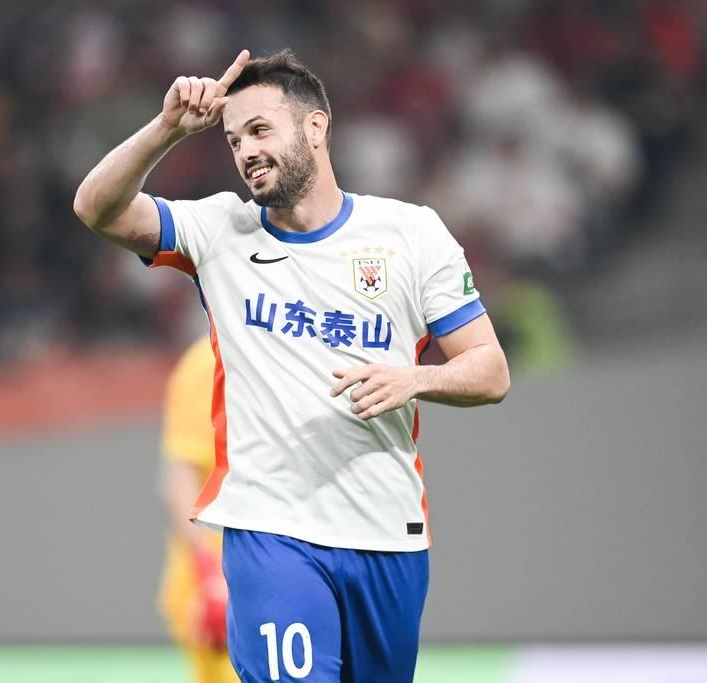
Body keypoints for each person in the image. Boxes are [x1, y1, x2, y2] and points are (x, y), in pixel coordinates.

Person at [74, 49, 510, 683]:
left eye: (260, 130)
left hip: (388, 534)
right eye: (233, 140)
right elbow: (96, 208)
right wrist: (166, 129)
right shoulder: (218, 230)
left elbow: (490, 370)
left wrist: (416, 378)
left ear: (315, 127)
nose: (246, 151)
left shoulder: (412, 234)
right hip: (271, 530)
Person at [158, 337, 238, 683]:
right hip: (224, 583)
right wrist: (211, 576)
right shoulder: (207, 362)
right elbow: (180, 480)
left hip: (264, 575)